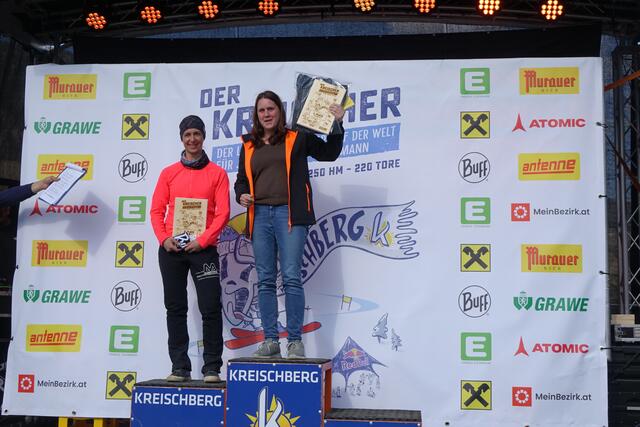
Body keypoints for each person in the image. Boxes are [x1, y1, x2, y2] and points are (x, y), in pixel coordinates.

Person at [234, 90, 345, 359]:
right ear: (256, 115)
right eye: (262, 110)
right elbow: (241, 181)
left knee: (292, 277)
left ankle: (295, 342)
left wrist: (337, 124)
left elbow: (329, 153)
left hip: (290, 214)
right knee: (265, 281)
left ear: (280, 111)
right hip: (260, 216)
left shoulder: (297, 137)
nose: (267, 114)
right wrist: (241, 195)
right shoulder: (248, 145)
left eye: (271, 109)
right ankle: (271, 340)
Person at [150, 115, 230, 382]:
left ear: (203, 137)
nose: (192, 139)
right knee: (175, 308)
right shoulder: (168, 173)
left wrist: (203, 240)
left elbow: (223, 213)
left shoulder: (217, 173)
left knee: (210, 307)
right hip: (172, 249)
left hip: (202, 249)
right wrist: (164, 239)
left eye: (197, 134)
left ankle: (212, 368)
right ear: (181, 139)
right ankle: (180, 367)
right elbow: (156, 210)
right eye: (187, 135)